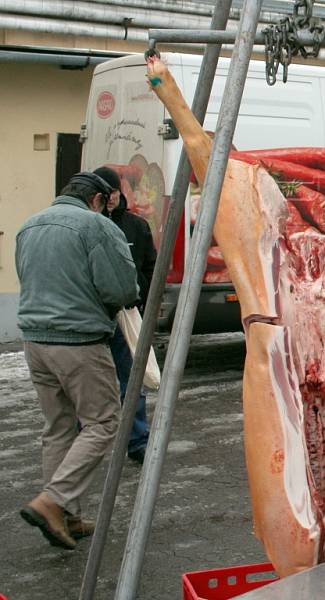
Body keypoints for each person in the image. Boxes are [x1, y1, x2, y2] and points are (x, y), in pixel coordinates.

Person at [16, 171, 138, 549]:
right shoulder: (95, 226)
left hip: (36, 341)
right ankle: (53, 502)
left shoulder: (29, 226)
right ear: (99, 200)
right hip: (79, 341)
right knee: (103, 421)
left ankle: (65, 517)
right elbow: (121, 288)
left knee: (59, 428)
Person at [94, 166, 157, 465]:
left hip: (127, 314)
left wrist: (140, 297)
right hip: (94, 316)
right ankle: (88, 441)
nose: (112, 198)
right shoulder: (88, 224)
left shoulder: (136, 226)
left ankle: (137, 441)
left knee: (131, 379)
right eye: (107, 193)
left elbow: (150, 266)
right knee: (91, 382)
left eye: (116, 192)